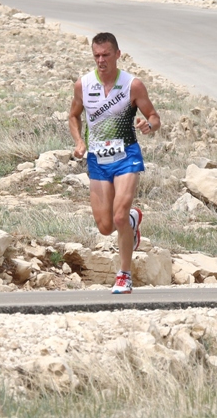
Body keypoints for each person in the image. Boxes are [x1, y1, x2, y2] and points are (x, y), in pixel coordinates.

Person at [69, 32, 161, 294]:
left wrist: (147, 125)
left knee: (118, 215)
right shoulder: (83, 85)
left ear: (118, 55)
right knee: (105, 226)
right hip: (97, 159)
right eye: (96, 55)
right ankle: (132, 222)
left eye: (106, 55)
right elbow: (73, 116)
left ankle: (124, 275)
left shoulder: (133, 85)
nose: (101, 60)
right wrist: (78, 142)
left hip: (126, 157)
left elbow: (154, 116)